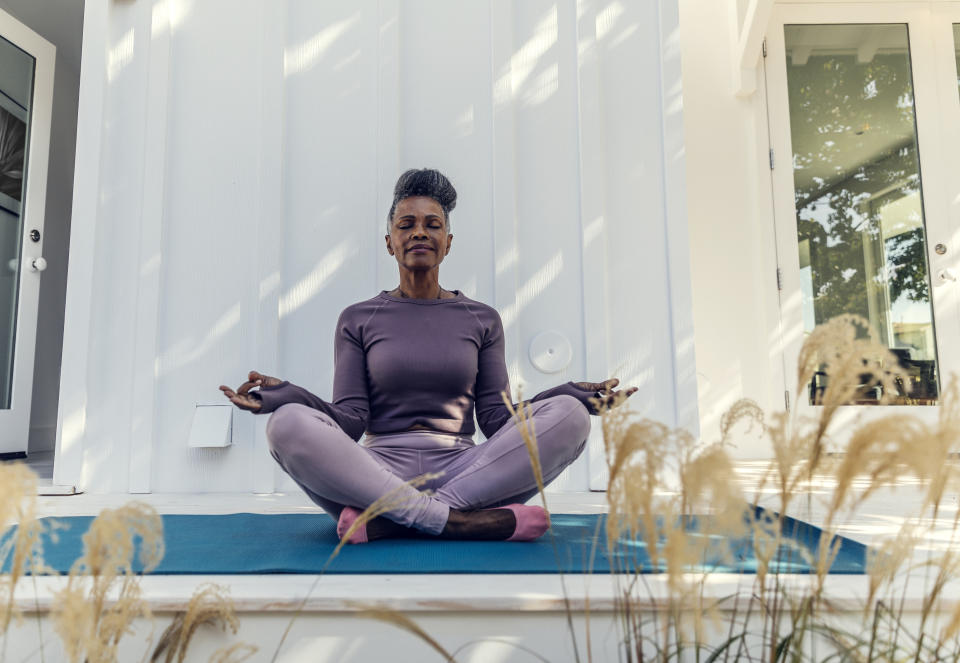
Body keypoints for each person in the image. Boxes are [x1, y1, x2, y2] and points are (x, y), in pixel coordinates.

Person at [220, 168, 636, 543]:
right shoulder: (358, 318)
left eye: (432, 224)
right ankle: (459, 523)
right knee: (286, 424)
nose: (419, 232)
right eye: (407, 224)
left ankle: (395, 521)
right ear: (390, 243)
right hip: (375, 474)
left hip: (466, 471)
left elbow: (496, 420)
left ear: (448, 243)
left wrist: (572, 394)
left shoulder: (482, 319)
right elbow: (348, 420)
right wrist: (284, 395)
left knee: (570, 416)